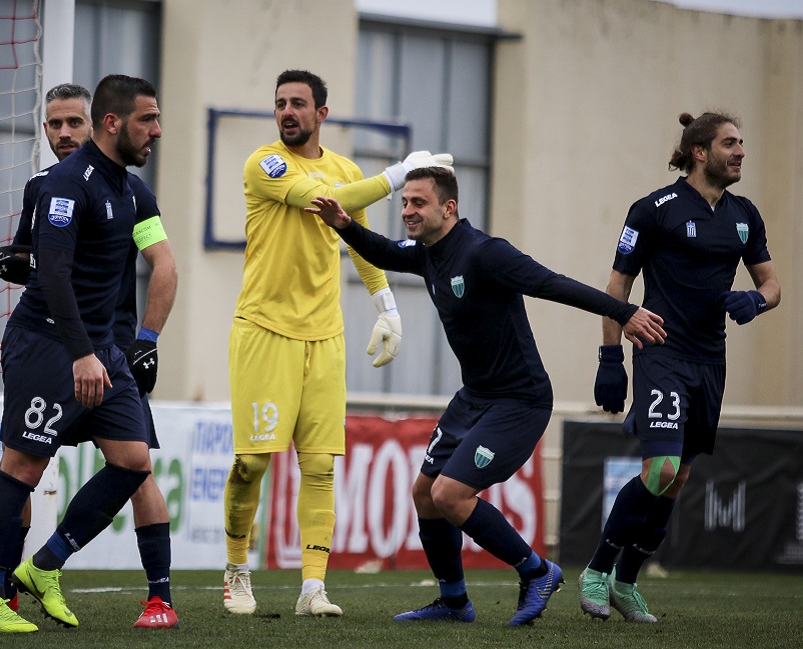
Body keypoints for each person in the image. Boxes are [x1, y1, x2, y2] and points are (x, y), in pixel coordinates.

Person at [305, 166, 667, 626]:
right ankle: (455, 603)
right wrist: (345, 226)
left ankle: (537, 571)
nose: (408, 211)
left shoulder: (485, 253)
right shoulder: (427, 252)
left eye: (418, 202)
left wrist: (626, 313)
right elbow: (386, 252)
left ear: (448, 208)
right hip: (475, 397)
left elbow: (553, 284)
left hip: (521, 401)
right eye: (404, 203)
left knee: (450, 495)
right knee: (425, 495)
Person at [0, 84, 179, 629]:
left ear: (94, 123)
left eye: (73, 122)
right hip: (53, 346)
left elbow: (163, 264)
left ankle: (52, 567)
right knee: (24, 466)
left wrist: (144, 340)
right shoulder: (59, 186)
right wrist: (77, 349)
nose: (64, 133)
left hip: (108, 346)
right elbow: (48, 267)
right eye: (55, 124)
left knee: (134, 461)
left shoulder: (132, 192)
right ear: (116, 123)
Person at [222, 69, 453, 618]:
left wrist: (387, 306)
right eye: (280, 103)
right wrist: (399, 174)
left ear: (321, 114)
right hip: (263, 331)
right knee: (253, 464)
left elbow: (359, 242)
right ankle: (236, 569)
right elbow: (328, 201)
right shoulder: (266, 163)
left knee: (321, 466)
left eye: (298, 103)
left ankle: (312, 588)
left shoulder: (346, 166)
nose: (287, 112)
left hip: (324, 338)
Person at [582, 111, 780, 623]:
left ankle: (626, 584)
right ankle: (598, 570)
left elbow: (772, 286)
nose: (741, 152)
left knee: (678, 477)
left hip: (709, 360)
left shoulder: (744, 215)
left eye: (742, 144)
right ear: (700, 152)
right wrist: (610, 359)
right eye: (730, 144)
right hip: (661, 351)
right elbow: (617, 289)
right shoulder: (654, 209)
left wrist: (755, 302)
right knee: (662, 468)